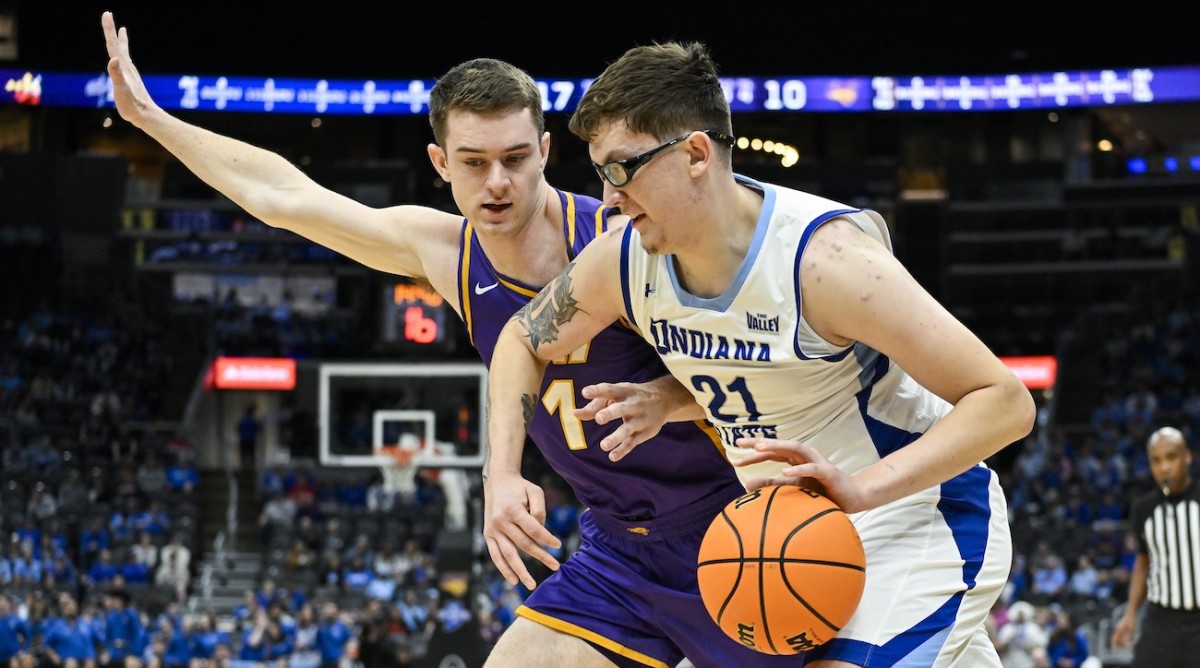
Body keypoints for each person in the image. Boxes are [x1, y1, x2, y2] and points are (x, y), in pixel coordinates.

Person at [103, 13, 793, 668]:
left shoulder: (625, 237)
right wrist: (153, 120)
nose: (497, 182)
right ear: (440, 162)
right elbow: (282, 196)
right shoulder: (444, 253)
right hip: (616, 546)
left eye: (517, 158)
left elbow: (762, 376)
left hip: (731, 524)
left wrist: (662, 396)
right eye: (474, 162)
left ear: (547, 151)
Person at [487, 41, 1035, 667]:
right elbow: (521, 339)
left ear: (694, 153)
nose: (608, 197)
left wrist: (859, 488)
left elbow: (1004, 402)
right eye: (600, 174)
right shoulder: (624, 261)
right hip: (788, 529)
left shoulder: (827, 265)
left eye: (621, 169)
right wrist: (503, 473)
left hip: (914, 516)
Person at [1110, 426, 1200, 667]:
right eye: (1156, 461)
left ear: (1187, 456)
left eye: (1172, 457)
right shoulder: (1143, 509)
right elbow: (1143, 562)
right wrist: (1130, 615)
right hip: (1161, 620)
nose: (1165, 467)